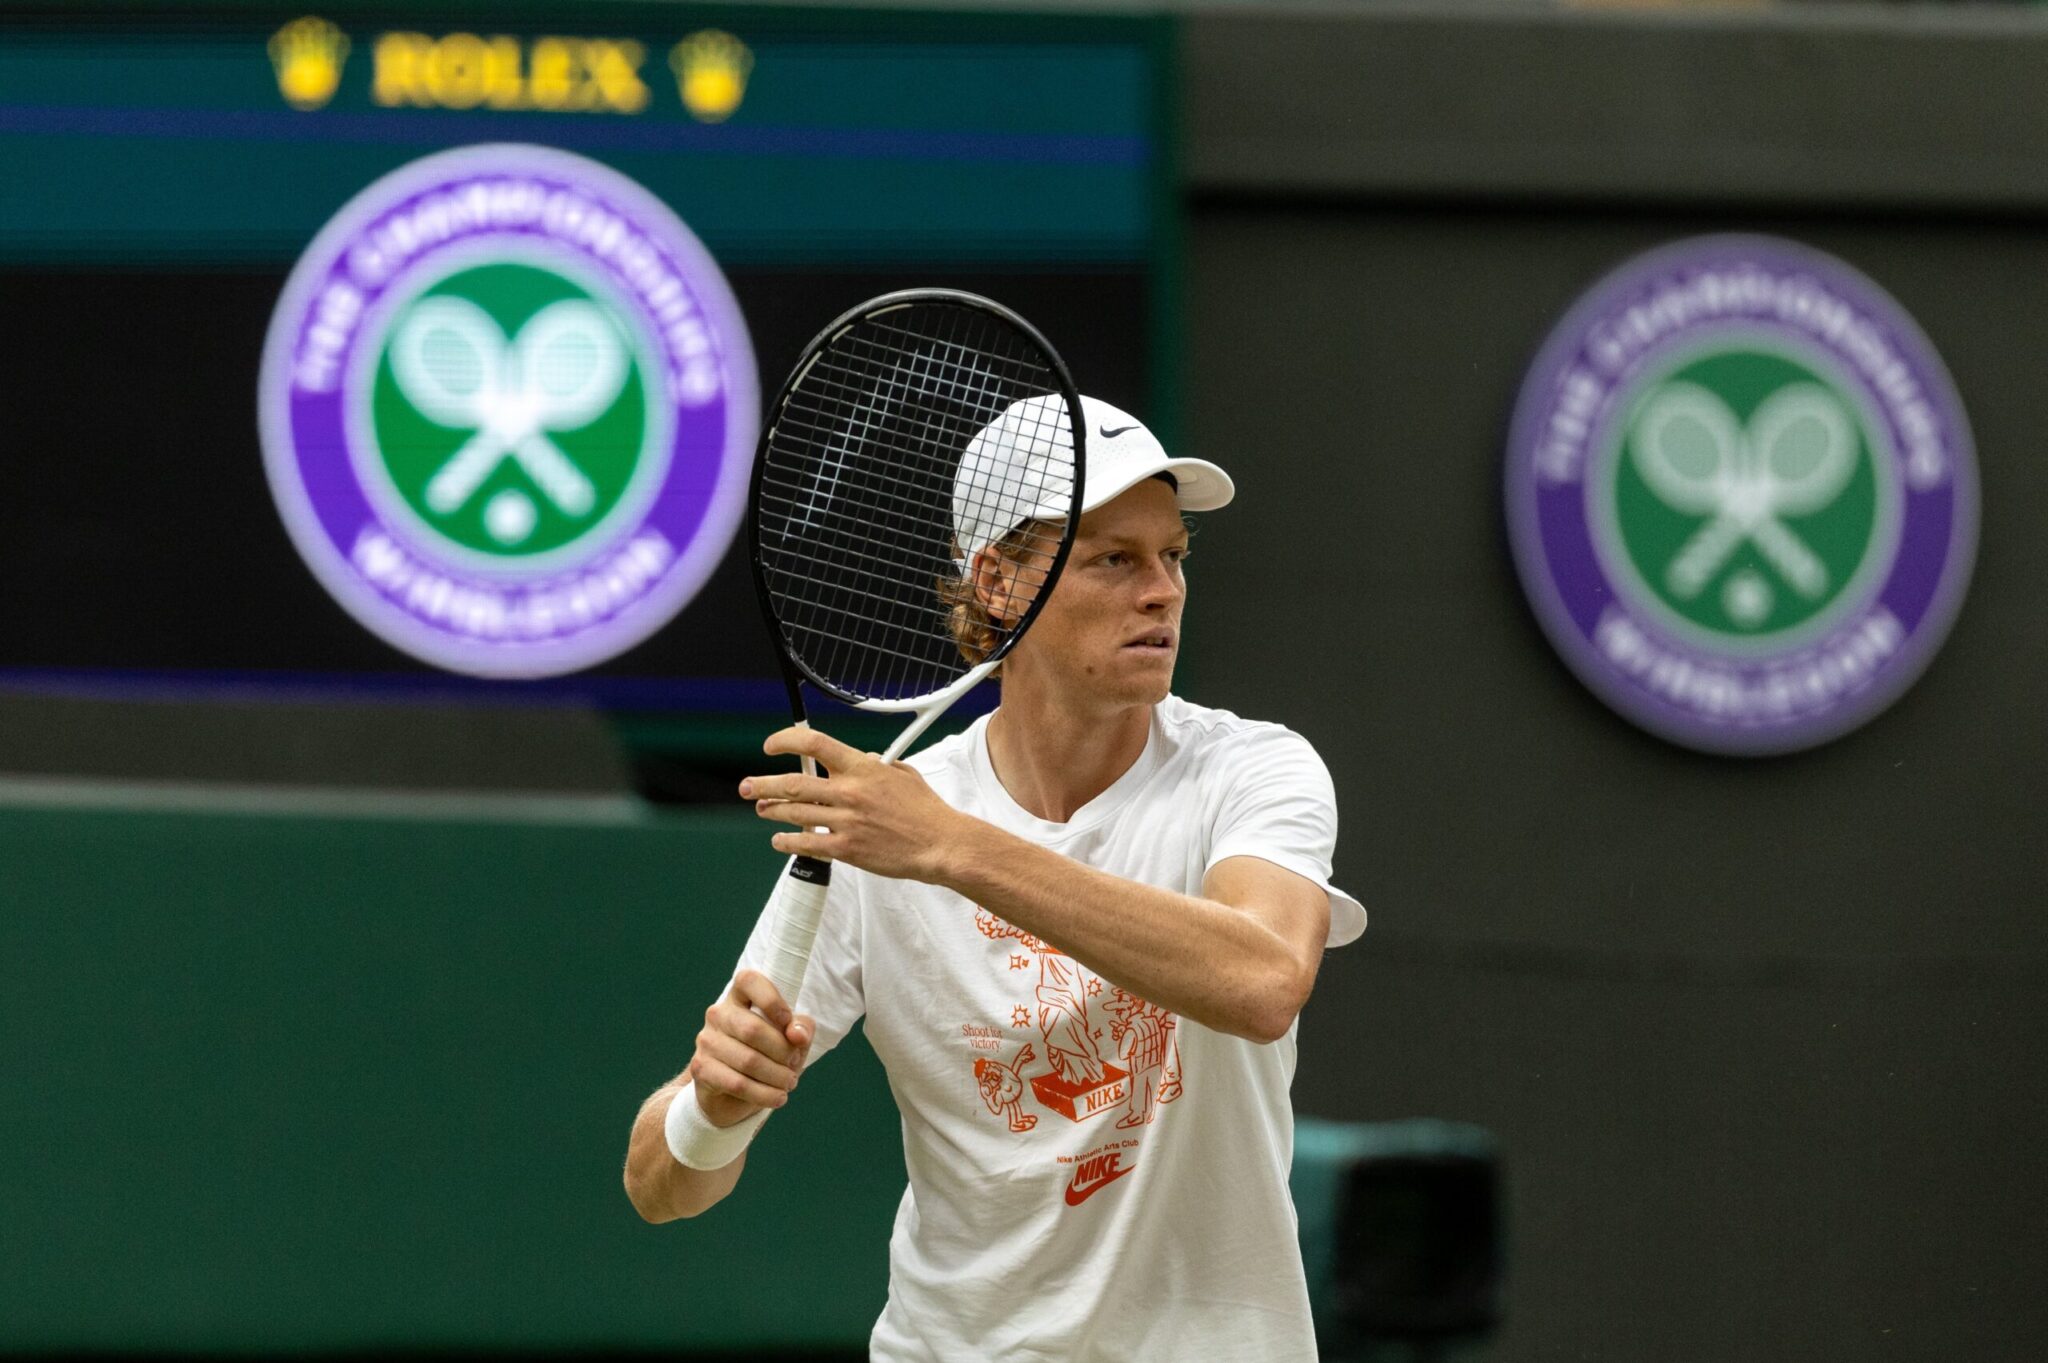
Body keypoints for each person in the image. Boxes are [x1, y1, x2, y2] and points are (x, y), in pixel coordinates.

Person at [623, 395, 1366, 1361]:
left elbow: (1263, 979)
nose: (1162, 591)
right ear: (999, 581)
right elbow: (659, 1185)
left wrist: (954, 847)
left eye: (1174, 556)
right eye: (1114, 559)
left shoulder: (1254, 770)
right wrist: (712, 1114)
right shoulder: (890, 828)